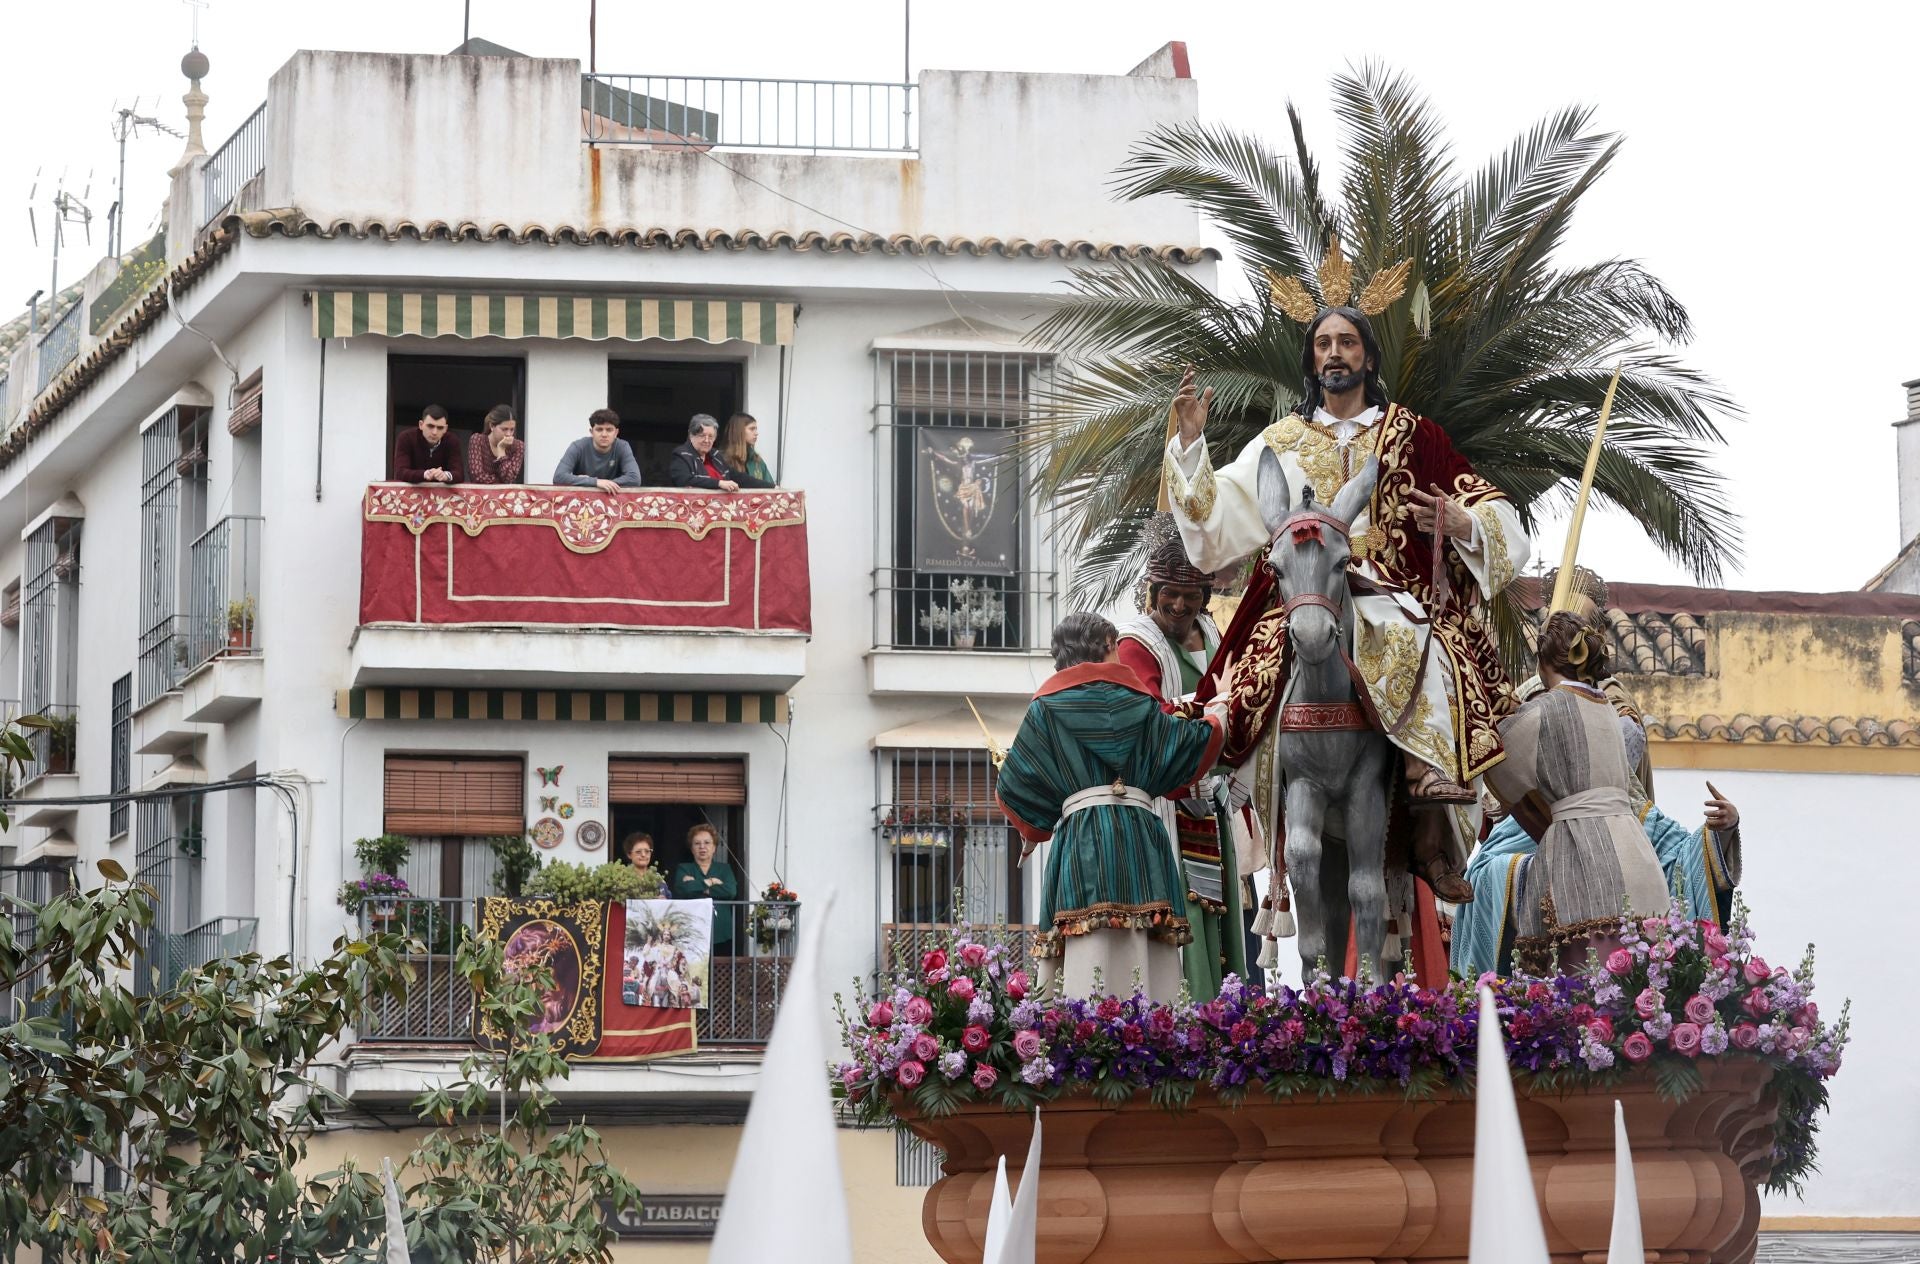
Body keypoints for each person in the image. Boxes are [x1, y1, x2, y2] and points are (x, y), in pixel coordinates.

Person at [1163, 276, 1530, 900]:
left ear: (1368, 357)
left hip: (1393, 589)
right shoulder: (1280, 442)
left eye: (1348, 343)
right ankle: (1253, 800)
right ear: (1312, 359)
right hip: (1305, 591)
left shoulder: (1414, 434)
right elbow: (1215, 518)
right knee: (1247, 682)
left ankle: (1431, 804)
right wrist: (1192, 444)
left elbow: (1492, 511)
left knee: (1424, 645)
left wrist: (1460, 521)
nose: (1334, 354)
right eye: (1323, 343)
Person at [993, 611, 1242, 1003]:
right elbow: (1193, 745)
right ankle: (1150, 1038)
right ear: (1109, 647)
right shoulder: (1142, 706)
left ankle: (1084, 1039)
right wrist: (1222, 704)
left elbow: (1017, 783)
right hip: (1140, 835)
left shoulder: (1044, 711)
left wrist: (1032, 833)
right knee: (1147, 950)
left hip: (1081, 838)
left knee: (1085, 946)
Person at [1113, 519, 1264, 999]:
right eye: (1168, 593)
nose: (1178, 605)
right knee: (1188, 911)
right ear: (1151, 590)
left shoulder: (1216, 633)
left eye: (1190, 594)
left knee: (1226, 915)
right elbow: (1146, 720)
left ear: (1205, 595)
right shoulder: (1134, 644)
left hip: (1215, 799)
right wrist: (1211, 710)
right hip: (1168, 807)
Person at [1483, 611, 1671, 974]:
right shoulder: (1608, 708)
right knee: (1635, 994)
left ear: (1542, 660)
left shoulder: (1544, 710)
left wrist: (1495, 718)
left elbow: (1493, 759)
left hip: (1582, 856)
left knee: (1582, 992)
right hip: (1636, 856)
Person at [670, 824, 739, 954]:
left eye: (707, 843)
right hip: (691, 931)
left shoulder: (724, 869)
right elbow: (682, 889)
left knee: (720, 971)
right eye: (697, 843)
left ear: (714, 848)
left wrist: (697, 886)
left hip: (720, 932)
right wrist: (711, 882)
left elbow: (730, 891)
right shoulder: (684, 868)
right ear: (691, 848)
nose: (702, 847)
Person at [552, 408, 643, 490]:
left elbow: (634, 479)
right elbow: (558, 477)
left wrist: (603, 484)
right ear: (591, 432)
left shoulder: (622, 447)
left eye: (609, 430)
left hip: (612, 499)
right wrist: (596, 482)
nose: (604, 434)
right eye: (599, 429)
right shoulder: (578, 446)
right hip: (582, 501)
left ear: (616, 433)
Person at [668, 414, 745, 491]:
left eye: (711, 436)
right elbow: (684, 480)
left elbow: (736, 476)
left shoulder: (716, 456)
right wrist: (719, 483)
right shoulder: (681, 454)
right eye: (702, 435)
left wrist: (757, 485)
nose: (707, 440)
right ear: (691, 435)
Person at [393, 405, 460, 484]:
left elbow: (459, 473)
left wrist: (446, 475)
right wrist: (424, 474)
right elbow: (400, 472)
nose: (434, 432)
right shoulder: (406, 438)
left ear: (445, 429)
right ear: (421, 425)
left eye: (440, 428)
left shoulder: (452, 440)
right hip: (412, 493)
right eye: (430, 426)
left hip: (443, 494)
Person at [466, 404, 525, 484]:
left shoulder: (518, 446)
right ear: (492, 426)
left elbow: (508, 479)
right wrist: (500, 482)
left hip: (505, 495)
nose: (509, 434)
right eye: (504, 429)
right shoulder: (478, 440)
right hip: (480, 494)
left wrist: (501, 450)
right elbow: (477, 476)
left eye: (512, 430)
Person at [719, 413, 777, 487]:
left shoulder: (757, 460)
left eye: (756, 429)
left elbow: (771, 488)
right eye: (752, 429)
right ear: (739, 431)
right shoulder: (721, 459)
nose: (756, 433)